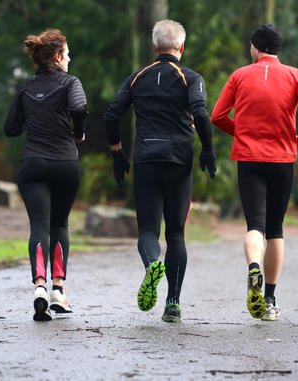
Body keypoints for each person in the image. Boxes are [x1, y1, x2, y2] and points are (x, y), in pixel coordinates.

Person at [104, 19, 216, 323]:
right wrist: (208, 149)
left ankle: (153, 263)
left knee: (149, 231)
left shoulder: (137, 78)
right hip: (179, 161)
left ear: (154, 47)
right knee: (177, 233)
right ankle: (173, 304)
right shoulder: (190, 77)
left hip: (146, 160)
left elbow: (112, 114)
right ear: (181, 47)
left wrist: (117, 154)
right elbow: (201, 114)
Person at [211, 24, 298, 321]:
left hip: (249, 158)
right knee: (275, 229)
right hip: (283, 159)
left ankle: (254, 269)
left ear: (255, 47)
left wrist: (241, 132)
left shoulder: (239, 75)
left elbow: (217, 116)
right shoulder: (295, 75)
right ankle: (270, 299)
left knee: (254, 226)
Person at [4, 28, 88, 321]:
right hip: (65, 164)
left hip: (33, 164)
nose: (70, 59)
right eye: (67, 54)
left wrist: (34, 120)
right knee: (60, 225)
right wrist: (77, 132)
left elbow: (10, 127)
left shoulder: (26, 87)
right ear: (57, 56)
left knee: (39, 226)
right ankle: (57, 290)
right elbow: (79, 106)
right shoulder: (70, 82)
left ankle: (38, 287)